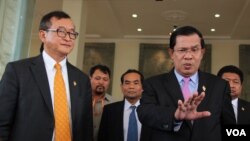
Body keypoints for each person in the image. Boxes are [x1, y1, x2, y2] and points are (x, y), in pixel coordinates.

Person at [0, 11, 93, 141]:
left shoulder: (82, 79)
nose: (68, 38)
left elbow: (86, 127)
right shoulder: (18, 71)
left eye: (72, 33)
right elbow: (2, 121)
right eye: (61, 31)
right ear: (43, 35)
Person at [137, 26, 236, 141]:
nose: (188, 56)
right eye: (182, 50)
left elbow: (230, 128)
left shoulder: (220, 85)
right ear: (171, 53)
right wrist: (175, 116)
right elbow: (144, 113)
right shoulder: (153, 84)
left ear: (202, 53)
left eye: (194, 50)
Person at [98, 69, 147, 141]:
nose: (131, 87)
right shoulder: (109, 110)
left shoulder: (151, 110)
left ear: (142, 87)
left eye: (136, 83)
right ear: (121, 87)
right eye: (127, 83)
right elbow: (102, 137)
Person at [89, 64, 115, 141]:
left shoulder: (115, 104)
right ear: (90, 79)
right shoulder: (80, 101)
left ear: (109, 81)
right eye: (97, 78)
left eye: (105, 79)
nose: (101, 82)